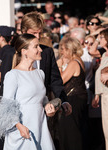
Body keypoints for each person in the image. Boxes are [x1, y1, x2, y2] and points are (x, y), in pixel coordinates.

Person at [0, 33, 58, 150]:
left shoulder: (40, 73)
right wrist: (18, 126)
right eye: (36, 47)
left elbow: (42, 100)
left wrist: (48, 107)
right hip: (22, 129)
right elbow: (6, 107)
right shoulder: (13, 75)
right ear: (24, 51)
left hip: (40, 126)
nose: (40, 50)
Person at [20, 11, 72, 149]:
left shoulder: (47, 52)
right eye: (33, 33)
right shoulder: (14, 52)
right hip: (22, 112)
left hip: (44, 110)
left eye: (39, 33)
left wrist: (63, 100)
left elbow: (55, 80)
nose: (37, 37)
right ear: (23, 32)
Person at [57, 37, 88, 150]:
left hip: (74, 99)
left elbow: (61, 80)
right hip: (78, 98)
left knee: (69, 131)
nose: (61, 52)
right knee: (73, 130)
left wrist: (59, 65)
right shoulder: (79, 61)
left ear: (70, 50)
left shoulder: (74, 63)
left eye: (64, 49)